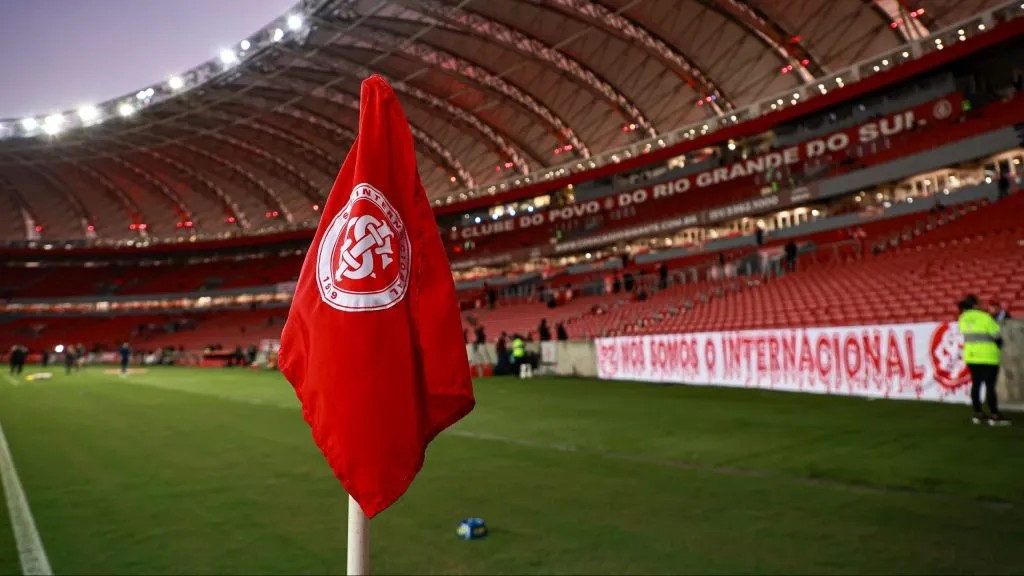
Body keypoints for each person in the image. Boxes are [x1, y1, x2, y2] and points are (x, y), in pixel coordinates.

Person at [958, 296, 1009, 425]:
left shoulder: (962, 319)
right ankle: (994, 415)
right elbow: (997, 336)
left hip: (971, 356)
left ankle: (978, 413)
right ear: (975, 305)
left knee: (976, 385)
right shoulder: (985, 318)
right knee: (990, 386)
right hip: (988, 357)